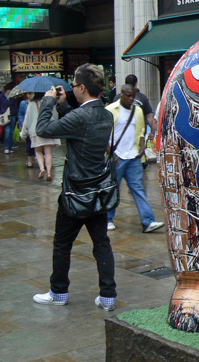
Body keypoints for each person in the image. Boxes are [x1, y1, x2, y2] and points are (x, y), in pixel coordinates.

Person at [32, 63, 117, 311]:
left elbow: (43, 129)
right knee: (102, 244)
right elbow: (78, 124)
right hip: (98, 192)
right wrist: (62, 104)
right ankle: (108, 297)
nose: (71, 88)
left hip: (75, 194)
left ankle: (58, 292)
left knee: (62, 244)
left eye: (73, 85)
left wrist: (48, 102)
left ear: (81, 87)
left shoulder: (80, 116)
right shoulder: (105, 114)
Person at [105, 84, 164, 233]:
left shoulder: (137, 111)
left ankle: (148, 221)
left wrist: (142, 147)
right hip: (117, 157)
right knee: (113, 190)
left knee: (138, 189)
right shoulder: (111, 110)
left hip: (133, 157)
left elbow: (141, 130)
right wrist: (111, 153)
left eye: (133, 96)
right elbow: (104, 134)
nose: (131, 99)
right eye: (128, 96)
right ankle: (107, 219)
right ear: (121, 95)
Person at [20, 92, 61, 181]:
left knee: (38, 152)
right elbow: (56, 116)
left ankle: (42, 168)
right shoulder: (51, 103)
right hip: (48, 129)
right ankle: (49, 172)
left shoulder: (31, 104)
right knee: (48, 152)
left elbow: (26, 120)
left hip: (36, 130)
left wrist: (23, 133)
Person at [115, 74, 158, 140]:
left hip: (121, 136)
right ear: (136, 84)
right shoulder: (142, 98)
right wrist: (152, 132)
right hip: (139, 136)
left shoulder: (117, 98)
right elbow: (150, 118)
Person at [18, 92, 35, 168]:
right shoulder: (23, 103)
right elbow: (20, 114)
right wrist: (22, 123)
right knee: (29, 144)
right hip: (26, 126)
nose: (29, 95)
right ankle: (30, 162)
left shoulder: (38, 102)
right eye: (28, 93)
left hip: (35, 126)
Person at [1, 82, 18, 154]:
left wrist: (16, 115)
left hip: (12, 115)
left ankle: (9, 147)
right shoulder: (1, 97)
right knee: (7, 131)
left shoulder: (13, 97)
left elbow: (15, 107)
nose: (10, 91)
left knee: (11, 132)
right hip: (4, 116)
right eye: (9, 89)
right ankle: (6, 147)